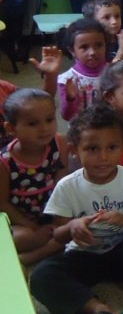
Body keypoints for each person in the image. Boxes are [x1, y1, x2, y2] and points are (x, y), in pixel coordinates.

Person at [30, 105, 123, 314]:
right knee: (42, 275)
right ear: (74, 150)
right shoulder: (67, 186)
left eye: (112, 147)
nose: (103, 157)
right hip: (84, 255)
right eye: (92, 149)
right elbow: (58, 235)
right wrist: (73, 226)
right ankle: (98, 309)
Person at [0, 89, 67, 265]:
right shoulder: (4, 162)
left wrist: (59, 215)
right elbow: (2, 203)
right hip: (21, 219)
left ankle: (38, 253)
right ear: (11, 129)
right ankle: (47, 246)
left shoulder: (59, 143)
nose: (44, 128)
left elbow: (63, 178)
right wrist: (32, 227)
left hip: (52, 209)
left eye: (49, 119)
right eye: (32, 123)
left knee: (81, 223)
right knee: (20, 238)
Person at [57, 18, 108, 121]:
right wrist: (70, 99)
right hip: (81, 133)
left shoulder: (114, 71)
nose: (92, 52)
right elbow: (67, 116)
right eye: (84, 47)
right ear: (72, 51)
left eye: (98, 45)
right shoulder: (67, 79)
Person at [82, 0, 123, 64]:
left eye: (117, 16)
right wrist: (122, 51)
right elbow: (105, 73)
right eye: (106, 17)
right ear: (92, 21)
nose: (114, 22)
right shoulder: (93, 46)